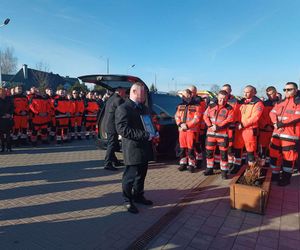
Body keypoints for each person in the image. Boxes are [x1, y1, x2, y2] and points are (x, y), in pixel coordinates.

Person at [115, 82, 154, 214]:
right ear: (134, 92)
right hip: (132, 148)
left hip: (144, 146)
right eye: (143, 93)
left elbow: (147, 124)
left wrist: (153, 131)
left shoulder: (143, 107)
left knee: (141, 175)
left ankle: (138, 195)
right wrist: (145, 135)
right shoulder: (124, 108)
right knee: (130, 177)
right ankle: (127, 200)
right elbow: (122, 129)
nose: (145, 96)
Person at [269, 82, 300, 186]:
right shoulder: (281, 102)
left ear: (296, 90)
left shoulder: (298, 102)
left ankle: (286, 178)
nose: (286, 91)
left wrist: (282, 124)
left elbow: (296, 116)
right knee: (274, 156)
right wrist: (275, 123)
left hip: (290, 136)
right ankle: (275, 175)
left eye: (289, 89)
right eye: (285, 89)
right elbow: (272, 112)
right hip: (277, 134)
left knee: (288, 158)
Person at [230, 85, 264, 173]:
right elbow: (237, 114)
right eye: (244, 92)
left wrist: (243, 124)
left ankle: (253, 171)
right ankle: (237, 166)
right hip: (239, 129)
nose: (245, 93)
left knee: (251, 151)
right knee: (238, 149)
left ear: (254, 92)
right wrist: (237, 122)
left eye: (248, 92)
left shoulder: (258, 103)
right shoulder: (241, 102)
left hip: (250, 130)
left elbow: (255, 117)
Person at [203, 90, 234, 179]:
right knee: (209, 153)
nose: (222, 101)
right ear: (217, 97)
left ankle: (224, 172)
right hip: (210, 134)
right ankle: (209, 169)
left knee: (223, 154)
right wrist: (210, 125)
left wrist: (218, 127)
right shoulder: (211, 106)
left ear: (227, 99)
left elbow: (229, 120)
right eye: (220, 98)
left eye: (224, 99)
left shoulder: (230, 109)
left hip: (222, 135)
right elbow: (205, 116)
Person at [175, 89, 202, 173]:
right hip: (182, 130)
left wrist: (187, 125)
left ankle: (191, 164)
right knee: (182, 148)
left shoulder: (197, 106)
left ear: (190, 95)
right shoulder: (180, 106)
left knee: (191, 148)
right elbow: (176, 116)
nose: (183, 97)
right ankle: (183, 163)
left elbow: (196, 119)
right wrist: (180, 124)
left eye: (185, 95)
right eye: (182, 95)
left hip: (191, 131)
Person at [103, 87, 126, 170]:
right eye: (124, 91)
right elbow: (123, 112)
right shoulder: (118, 100)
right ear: (120, 91)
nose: (125, 93)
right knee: (111, 144)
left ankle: (114, 161)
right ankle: (107, 163)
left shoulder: (111, 98)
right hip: (112, 126)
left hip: (107, 125)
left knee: (112, 143)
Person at [258, 86, 280, 167]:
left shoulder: (281, 103)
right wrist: (266, 125)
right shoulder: (264, 104)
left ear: (276, 92)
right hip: (264, 130)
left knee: (273, 148)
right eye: (268, 94)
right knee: (263, 149)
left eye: (272, 94)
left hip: (276, 130)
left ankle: (273, 164)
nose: (270, 96)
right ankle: (263, 165)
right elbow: (260, 117)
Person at [0, 88, 14, 152]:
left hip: (8, 120)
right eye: (1, 92)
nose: (3, 93)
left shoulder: (9, 99)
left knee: (8, 134)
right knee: (1, 135)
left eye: (3, 92)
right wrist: (3, 115)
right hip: (1, 119)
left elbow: (12, 107)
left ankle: (9, 147)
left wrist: (10, 114)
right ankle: (2, 148)